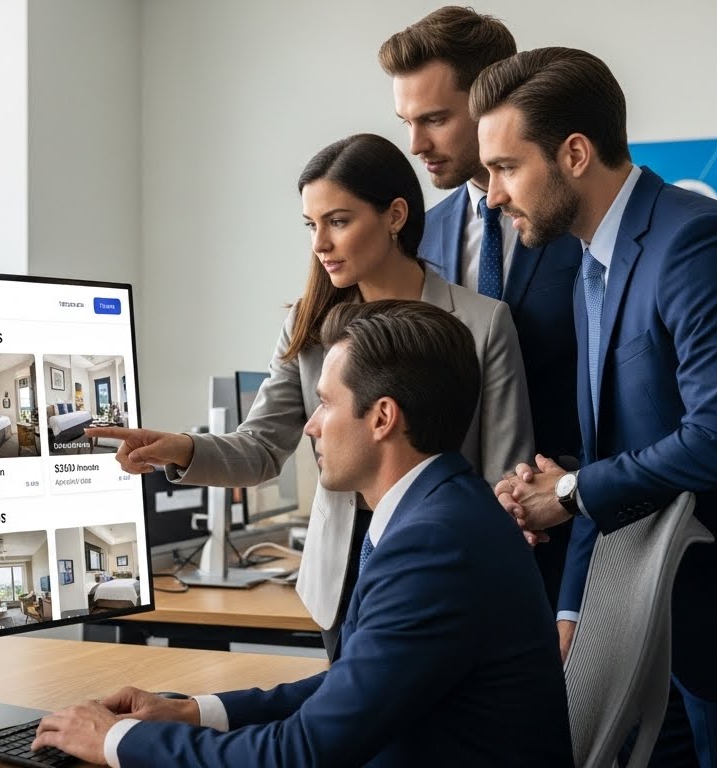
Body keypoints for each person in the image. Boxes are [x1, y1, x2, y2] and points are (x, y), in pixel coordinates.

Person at [474, 47, 717, 766]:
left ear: (572, 153)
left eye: (504, 168)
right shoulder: (591, 263)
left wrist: (566, 492)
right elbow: (616, 450)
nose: (493, 196)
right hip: (664, 620)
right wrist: (571, 608)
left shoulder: (697, 242)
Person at [33, 300, 572, 767]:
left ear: (382, 417)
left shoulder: (434, 544)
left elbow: (302, 753)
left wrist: (116, 740)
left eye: (327, 403)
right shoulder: (444, 511)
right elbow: (353, 690)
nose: (311, 425)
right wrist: (193, 711)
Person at [88, 133, 534, 658]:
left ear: (394, 215)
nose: (319, 243)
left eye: (338, 221)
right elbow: (260, 449)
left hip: (444, 572)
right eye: (312, 224)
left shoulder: (483, 324)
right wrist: (182, 448)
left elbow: (503, 477)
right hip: (342, 577)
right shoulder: (308, 325)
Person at [379, 6, 581, 610]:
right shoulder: (417, 237)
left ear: (495, 96)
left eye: (436, 119)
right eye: (407, 122)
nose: (416, 145)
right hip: (452, 548)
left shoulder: (582, 221)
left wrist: (560, 489)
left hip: (576, 536)